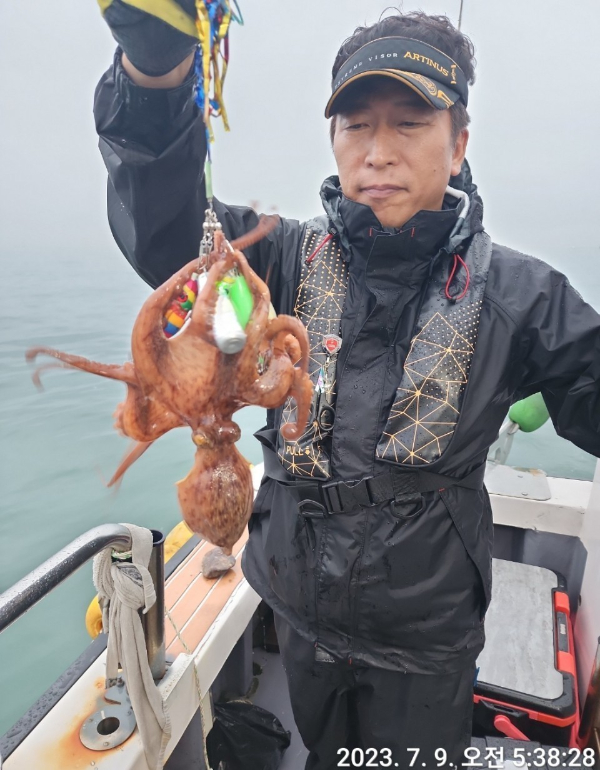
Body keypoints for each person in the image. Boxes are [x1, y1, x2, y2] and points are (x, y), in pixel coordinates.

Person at [94, 4, 600, 767]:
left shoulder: (522, 298)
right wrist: (152, 68)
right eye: (356, 125)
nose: (378, 152)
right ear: (333, 138)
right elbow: (169, 231)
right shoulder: (275, 262)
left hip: (425, 641)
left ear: (459, 144)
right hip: (302, 616)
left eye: (410, 124)